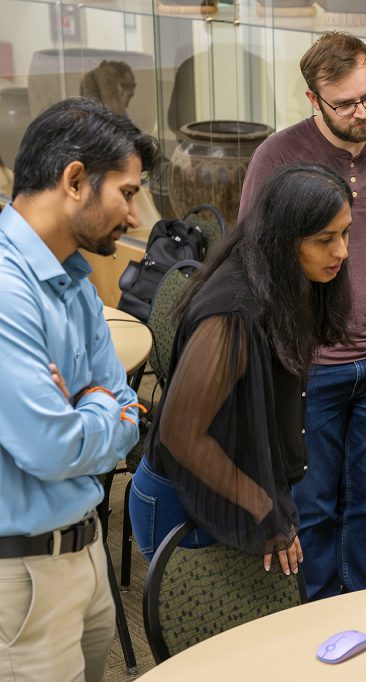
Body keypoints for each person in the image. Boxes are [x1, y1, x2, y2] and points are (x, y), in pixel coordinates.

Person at [238, 31, 366, 598]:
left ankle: (363, 604)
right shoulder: (276, 157)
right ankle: (315, 613)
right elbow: (251, 257)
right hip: (311, 364)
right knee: (315, 503)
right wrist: (287, 345)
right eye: (347, 103)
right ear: (314, 100)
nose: (364, 111)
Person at [129, 162, 353, 575]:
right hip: (185, 502)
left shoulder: (278, 277)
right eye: (326, 239)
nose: (342, 251)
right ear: (285, 239)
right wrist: (264, 510)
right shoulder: (233, 312)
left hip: (234, 483)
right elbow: (182, 435)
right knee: (215, 639)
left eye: (344, 233)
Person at [0, 97, 156, 681]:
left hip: (85, 543)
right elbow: (50, 446)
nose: (135, 217)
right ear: (74, 180)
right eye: (127, 192)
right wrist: (99, 407)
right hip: (23, 578)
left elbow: (130, 413)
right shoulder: (7, 289)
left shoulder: (73, 279)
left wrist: (89, 405)